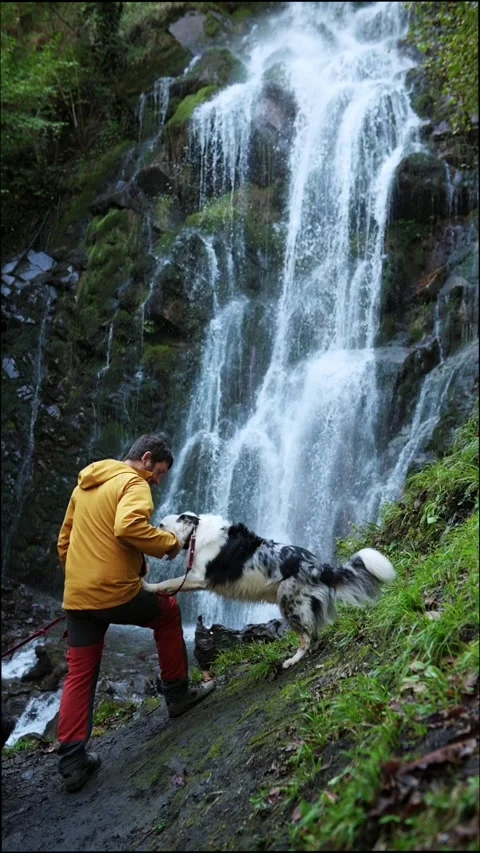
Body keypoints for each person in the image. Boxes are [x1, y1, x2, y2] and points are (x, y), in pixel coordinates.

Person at [55, 434, 215, 793]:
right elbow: (128, 527)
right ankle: (177, 696)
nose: (158, 480)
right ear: (145, 459)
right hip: (116, 592)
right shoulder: (134, 482)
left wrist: (80, 579)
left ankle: (72, 762)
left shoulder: (85, 485)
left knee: (80, 673)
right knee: (168, 612)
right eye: (158, 472)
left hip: (79, 596)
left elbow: (64, 542)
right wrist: (170, 544)